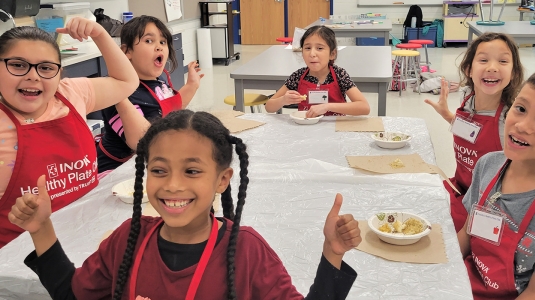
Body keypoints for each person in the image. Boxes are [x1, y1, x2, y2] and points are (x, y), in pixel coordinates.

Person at [10, 110, 361, 299]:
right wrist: (42, 228)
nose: (173, 184)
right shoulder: (127, 241)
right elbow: (73, 295)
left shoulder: (246, 251)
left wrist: (332, 253)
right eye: (159, 170)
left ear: (222, 179)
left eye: (192, 170)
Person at [0, 18, 138, 248]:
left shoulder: (72, 94)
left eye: (46, 68)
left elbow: (127, 81)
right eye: (18, 65)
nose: (33, 76)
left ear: (59, 73)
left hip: (88, 236)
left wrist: (99, 34)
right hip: (22, 259)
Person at [424, 32, 524, 232]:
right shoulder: (468, 101)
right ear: (469, 69)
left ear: (513, 73)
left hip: (488, 207)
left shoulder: (508, 120)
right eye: (484, 60)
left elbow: (520, 175)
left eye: (503, 61)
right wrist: (447, 115)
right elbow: (472, 134)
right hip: (459, 188)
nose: (492, 67)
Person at [457, 73, 535, 299]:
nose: (522, 126)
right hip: (466, 284)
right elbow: (466, 232)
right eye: (521, 108)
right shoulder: (488, 164)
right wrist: (443, 270)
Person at [97, 15, 203, 173]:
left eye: (163, 42)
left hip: (152, 160)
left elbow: (172, 109)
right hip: (116, 171)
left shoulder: (158, 82)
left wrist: (192, 85)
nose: (159, 47)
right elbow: (141, 141)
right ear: (127, 51)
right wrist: (117, 92)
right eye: (149, 41)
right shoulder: (118, 95)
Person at [264, 25, 370, 117]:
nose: (312, 54)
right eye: (307, 48)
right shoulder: (298, 76)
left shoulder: (339, 74)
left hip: (335, 129)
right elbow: (269, 107)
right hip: (306, 129)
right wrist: (283, 100)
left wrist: (328, 106)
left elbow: (364, 107)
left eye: (319, 48)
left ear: (332, 54)